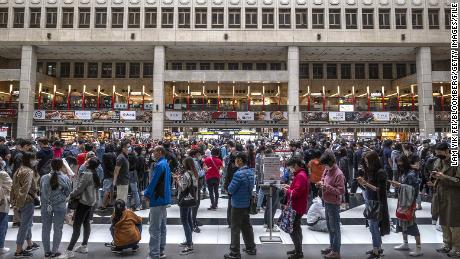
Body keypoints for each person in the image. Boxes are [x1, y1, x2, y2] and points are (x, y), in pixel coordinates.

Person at [60, 158, 101, 259]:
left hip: (83, 202)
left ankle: (69, 250)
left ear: (89, 164)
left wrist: (70, 196)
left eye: (88, 160)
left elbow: (79, 188)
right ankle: (84, 245)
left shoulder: (87, 174)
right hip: (91, 202)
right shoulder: (95, 173)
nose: (86, 161)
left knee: (76, 226)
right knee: (86, 222)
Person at [357, 151, 390, 259]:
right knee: (372, 226)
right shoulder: (371, 171)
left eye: (367, 161)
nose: (366, 164)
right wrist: (363, 184)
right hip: (370, 200)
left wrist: (366, 183)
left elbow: (379, 189)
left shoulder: (380, 172)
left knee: (374, 226)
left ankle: (376, 249)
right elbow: (370, 187)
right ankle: (377, 247)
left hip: (376, 203)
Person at [224, 152, 256, 259]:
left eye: (237, 159)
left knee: (235, 228)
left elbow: (231, 189)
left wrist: (228, 188)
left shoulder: (238, 174)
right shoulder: (250, 172)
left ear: (240, 160)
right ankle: (251, 248)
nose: (235, 162)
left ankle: (234, 252)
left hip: (237, 204)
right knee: (246, 225)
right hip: (246, 203)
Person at [390, 155, 423, 257]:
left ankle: (419, 248)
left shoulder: (411, 174)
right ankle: (405, 243)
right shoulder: (404, 173)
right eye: (398, 163)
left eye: (400, 163)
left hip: (409, 203)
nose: (399, 165)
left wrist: (400, 185)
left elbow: (414, 189)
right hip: (403, 201)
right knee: (401, 221)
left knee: (412, 224)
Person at [431, 142, 460, 257]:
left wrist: (444, 177)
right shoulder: (438, 161)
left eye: (441, 154)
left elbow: (458, 181)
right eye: (437, 154)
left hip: (454, 196)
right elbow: (437, 174)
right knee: (443, 220)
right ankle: (447, 244)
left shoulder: (455, 162)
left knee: (455, 222)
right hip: (441, 194)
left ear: (447, 150)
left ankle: (457, 247)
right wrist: (434, 179)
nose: (439, 156)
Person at [41, 158, 72, 258]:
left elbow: (41, 191)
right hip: (60, 205)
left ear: (51, 166)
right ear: (61, 166)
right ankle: (54, 251)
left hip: (46, 205)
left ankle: (46, 251)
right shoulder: (65, 178)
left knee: (45, 228)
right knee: (58, 228)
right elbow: (68, 193)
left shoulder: (44, 178)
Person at [11, 152, 40, 258]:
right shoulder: (28, 171)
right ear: (29, 160)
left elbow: (14, 187)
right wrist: (19, 203)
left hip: (21, 200)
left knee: (27, 224)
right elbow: (25, 189)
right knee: (24, 226)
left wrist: (15, 202)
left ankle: (29, 244)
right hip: (26, 201)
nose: (35, 161)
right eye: (34, 159)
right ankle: (18, 250)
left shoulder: (19, 169)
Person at [144, 146, 171, 259]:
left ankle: (154, 254)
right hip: (164, 198)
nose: (153, 154)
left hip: (157, 199)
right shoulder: (166, 164)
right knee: (162, 227)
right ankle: (160, 251)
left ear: (160, 152)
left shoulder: (159, 165)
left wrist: (147, 194)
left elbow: (154, 181)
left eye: (154, 152)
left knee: (154, 228)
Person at [318, 151, 345, 259]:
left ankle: (336, 251)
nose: (324, 167)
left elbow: (341, 191)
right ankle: (332, 246)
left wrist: (326, 186)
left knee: (335, 228)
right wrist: (320, 184)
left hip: (334, 203)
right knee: (330, 227)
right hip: (327, 201)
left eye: (325, 164)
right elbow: (323, 180)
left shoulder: (339, 174)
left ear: (330, 162)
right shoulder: (327, 170)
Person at [283, 156, 309, 259]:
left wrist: (288, 191)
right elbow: (298, 189)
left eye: (291, 167)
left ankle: (298, 252)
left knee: (293, 229)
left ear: (296, 165)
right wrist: (290, 188)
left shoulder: (300, 176)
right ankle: (298, 249)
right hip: (298, 206)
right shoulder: (300, 175)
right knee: (296, 228)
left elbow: (296, 193)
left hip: (297, 206)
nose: (290, 169)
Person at [174, 157, 199, 255]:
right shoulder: (194, 173)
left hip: (184, 200)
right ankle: (189, 241)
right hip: (191, 199)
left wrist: (177, 180)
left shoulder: (186, 174)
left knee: (185, 222)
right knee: (189, 220)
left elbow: (183, 187)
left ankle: (189, 245)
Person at [0, 159, 12, 254]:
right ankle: (1, 247)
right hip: (2, 203)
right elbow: (10, 185)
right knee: (2, 225)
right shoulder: (3, 174)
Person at [101, 144, 117, 210]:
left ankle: (103, 205)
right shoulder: (114, 154)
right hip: (113, 174)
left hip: (107, 174)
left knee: (106, 190)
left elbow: (105, 165)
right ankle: (111, 203)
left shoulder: (105, 155)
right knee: (111, 189)